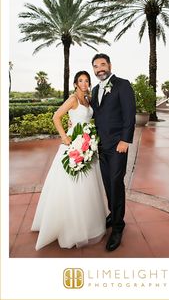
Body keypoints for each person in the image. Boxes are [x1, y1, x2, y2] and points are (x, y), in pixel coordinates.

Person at [31, 71, 107, 250]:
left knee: (88, 182)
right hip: (74, 142)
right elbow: (56, 117)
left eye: (86, 80)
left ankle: (89, 223)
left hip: (88, 142)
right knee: (72, 181)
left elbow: (90, 118)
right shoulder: (72, 99)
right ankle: (70, 227)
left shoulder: (89, 100)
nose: (84, 83)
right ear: (75, 83)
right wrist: (65, 137)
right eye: (80, 80)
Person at [91, 53, 136, 251]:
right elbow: (95, 115)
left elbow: (129, 113)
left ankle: (118, 227)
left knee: (116, 184)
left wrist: (125, 140)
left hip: (118, 145)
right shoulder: (94, 90)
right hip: (101, 147)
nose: (99, 68)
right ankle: (113, 213)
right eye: (96, 66)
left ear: (109, 65)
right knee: (108, 184)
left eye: (102, 64)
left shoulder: (122, 84)